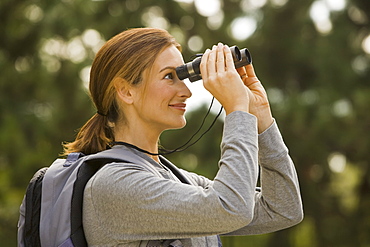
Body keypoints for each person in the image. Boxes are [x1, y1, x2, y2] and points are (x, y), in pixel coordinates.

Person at [62, 27, 303, 247]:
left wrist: (260, 118)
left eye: (183, 77)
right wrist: (236, 110)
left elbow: (283, 209)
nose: (186, 91)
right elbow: (232, 208)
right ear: (126, 91)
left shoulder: (177, 180)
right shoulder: (114, 185)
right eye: (169, 76)